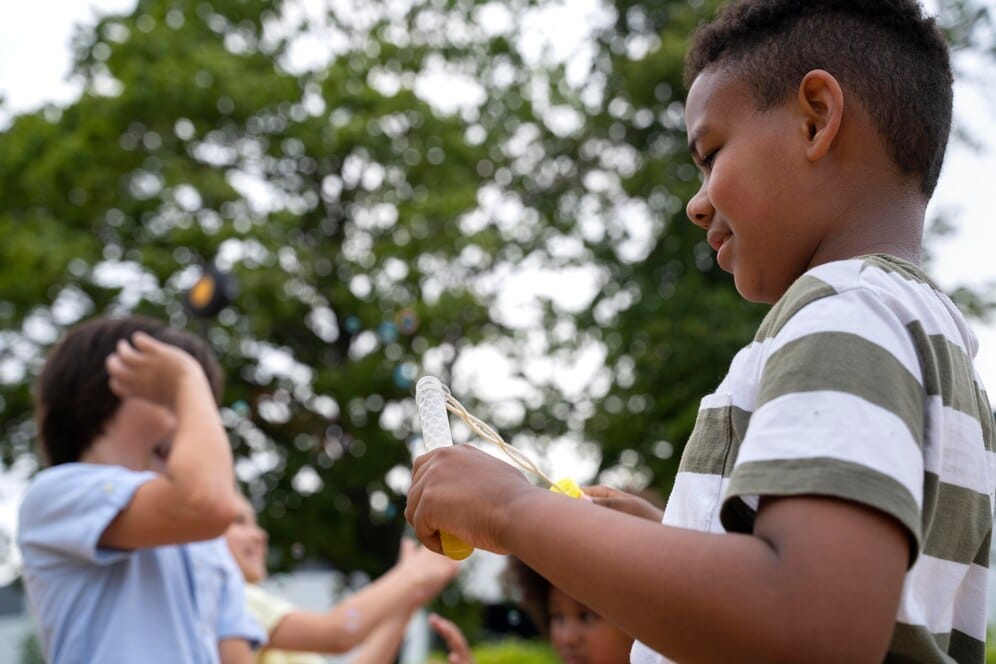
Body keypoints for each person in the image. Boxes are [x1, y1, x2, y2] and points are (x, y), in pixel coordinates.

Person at [404, 1, 996, 662]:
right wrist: (685, 533)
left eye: (711, 153)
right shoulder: (930, 343)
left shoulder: (843, 312)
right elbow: (862, 612)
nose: (698, 199)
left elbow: (813, 622)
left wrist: (514, 512)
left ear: (816, 118)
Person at [18, 315, 263, 663]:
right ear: (97, 399)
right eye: (169, 398)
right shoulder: (57, 496)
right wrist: (185, 377)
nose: (193, 424)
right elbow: (206, 504)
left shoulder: (207, 544)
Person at [223, 493, 461, 663]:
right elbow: (338, 633)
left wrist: (408, 600)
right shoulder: (233, 599)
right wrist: (413, 574)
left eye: (256, 523)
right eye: (239, 522)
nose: (260, 536)